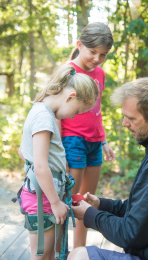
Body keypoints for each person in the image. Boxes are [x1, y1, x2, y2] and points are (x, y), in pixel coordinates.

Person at [68, 77, 148, 260]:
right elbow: (140, 210)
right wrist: (101, 205)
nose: (124, 123)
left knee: (79, 255)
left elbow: (131, 235)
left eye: (130, 118)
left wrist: (89, 215)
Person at [17, 64, 99, 260]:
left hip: (43, 195)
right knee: (42, 256)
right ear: (70, 97)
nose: (73, 116)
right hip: (43, 200)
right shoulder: (44, 118)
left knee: (50, 254)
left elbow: (23, 152)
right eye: (77, 110)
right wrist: (55, 202)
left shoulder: (40, 111)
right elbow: (40, 166)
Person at [58, 22, 116, 248]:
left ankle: (78, 252)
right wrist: (58, 149)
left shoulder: (100, 73)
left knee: (85, 203)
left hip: (94, 143)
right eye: (93, 52)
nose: (97, 58)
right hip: (72, 141)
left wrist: (104, 141)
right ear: (80, 45)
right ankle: (60, 250)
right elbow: (54, 112)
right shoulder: (67, 71)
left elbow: (96, 110)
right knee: (68, 202)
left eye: (103, 54)